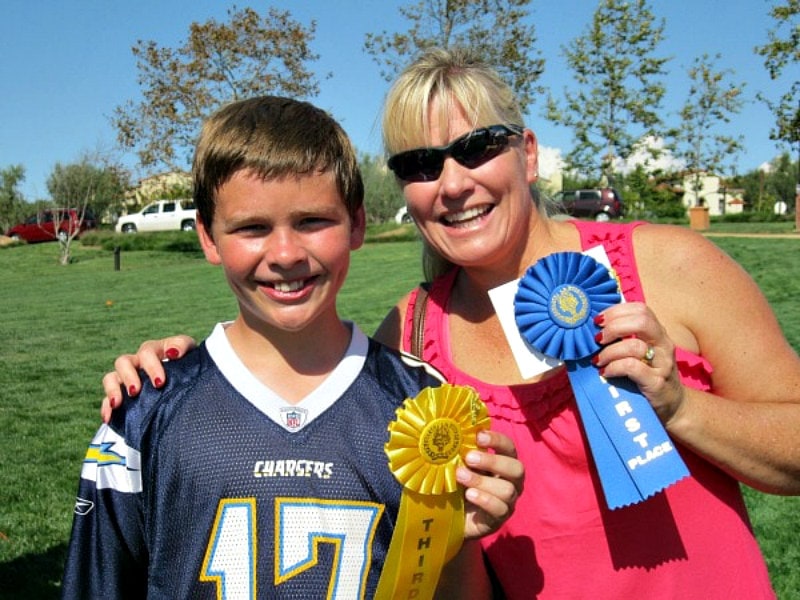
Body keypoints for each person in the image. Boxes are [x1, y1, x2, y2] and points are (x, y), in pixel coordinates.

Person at [100, 48, 800, 599]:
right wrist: (178, 371)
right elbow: (298, 380)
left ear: (526, 153)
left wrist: (680, 407)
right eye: (422, 163)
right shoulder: (405, 338)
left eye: (477, 147)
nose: (454, 181)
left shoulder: (666, 266)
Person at [63, 95, 524, 599]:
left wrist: (461, 537)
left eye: (311, 222)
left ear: (358, 223)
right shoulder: (146, 409)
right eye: (252, 228)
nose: (285, 254)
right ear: (208, 238)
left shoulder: (423, 404)